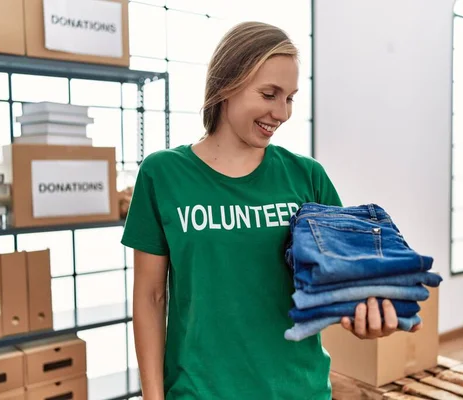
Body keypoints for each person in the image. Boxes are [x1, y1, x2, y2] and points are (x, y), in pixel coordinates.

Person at [121, 21, 421, 400]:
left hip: (299, 390)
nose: (282, 112)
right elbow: (150, 297)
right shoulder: (163, 174)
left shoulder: (307, 176)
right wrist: (153, 396)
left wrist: (365, 317)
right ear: (225, 85)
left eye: (290, 98)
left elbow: (339, 282)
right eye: (269, 94)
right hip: (198, 392)